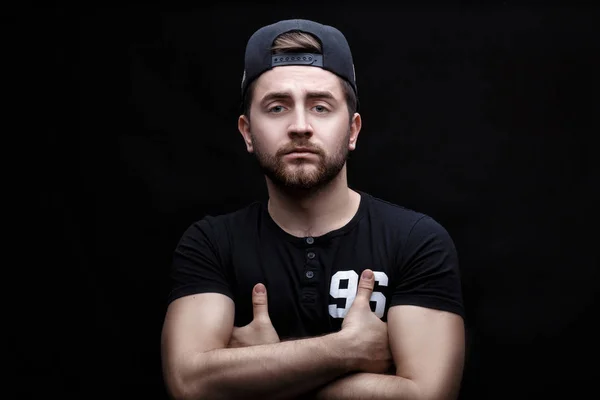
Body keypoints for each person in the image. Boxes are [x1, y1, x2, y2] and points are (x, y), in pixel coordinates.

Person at [161, 18, 465, 400]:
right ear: (247, 132)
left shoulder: (416, 241)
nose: (300, 126)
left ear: (352, 130)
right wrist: (348, 350)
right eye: (276, 108)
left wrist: (258, 373)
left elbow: (426, 396)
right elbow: (190, 385)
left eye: (321, 107)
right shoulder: (210, 244)